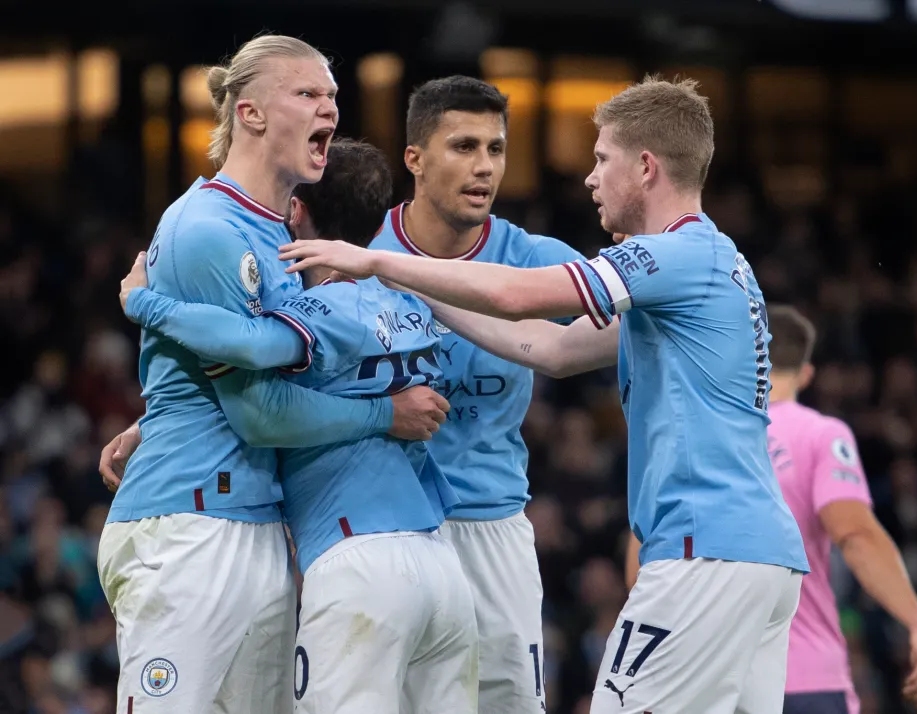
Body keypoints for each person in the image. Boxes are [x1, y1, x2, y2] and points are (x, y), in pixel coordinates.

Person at [279, 75, 811, 714]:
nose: (588, 178)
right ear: (415, 159)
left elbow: (515, 296)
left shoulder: (670, 256)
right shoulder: (718, 261)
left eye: (601, 160)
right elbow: (552, 349)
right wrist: (422, 292)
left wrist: (377, 264)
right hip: (761, 556)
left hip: (702, 548)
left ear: (645, 168)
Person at [96, 38, 448, 714]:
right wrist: (385, 415)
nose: (330, 110)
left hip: (256, 523)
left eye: (334, 98)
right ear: (251, 113)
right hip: (189, 524)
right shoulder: (207, 228)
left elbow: (267, 354)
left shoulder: (279, 239)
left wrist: (148, 418)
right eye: (309, 95)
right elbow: (257, 414)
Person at [364, 75, 584, 713]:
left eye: (496, 148)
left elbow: (648, 319)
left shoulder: (534, 260)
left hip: (492, 527)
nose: (484, 166)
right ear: (414, 158)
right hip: (381, 526)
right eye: (463, 146)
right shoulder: (357, 249)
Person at [763, 305, 917, 713]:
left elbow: (642, 561)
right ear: (806, 373)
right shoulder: (820, 434)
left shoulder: (700, 439)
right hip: (803, 677)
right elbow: (855, 535)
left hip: (713, 682)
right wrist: (916, 621)